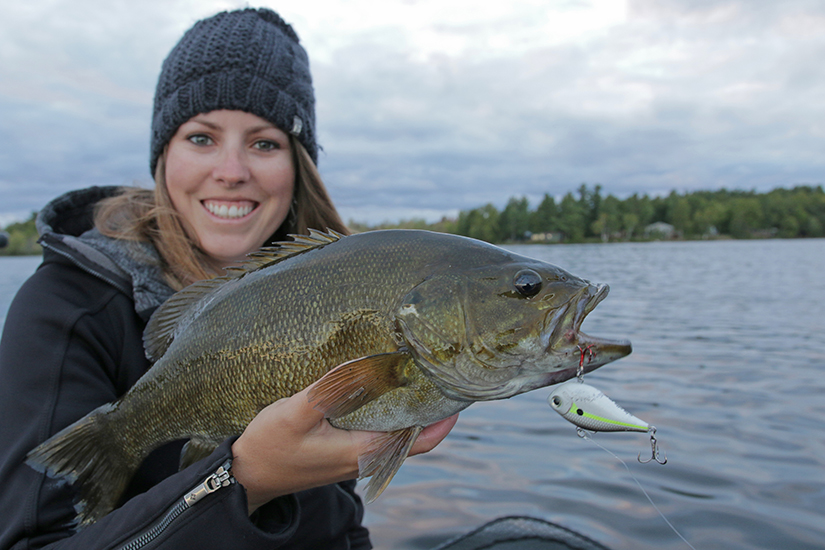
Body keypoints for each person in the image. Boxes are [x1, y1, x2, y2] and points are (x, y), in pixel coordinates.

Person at [0, 8, 457, 550]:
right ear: (162, 154)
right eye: (201, 138)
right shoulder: (67, 308)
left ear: (298, 166)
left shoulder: (333, 304)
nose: (232, 170)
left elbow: (343, 530)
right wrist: (243, 481)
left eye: (264, 143)